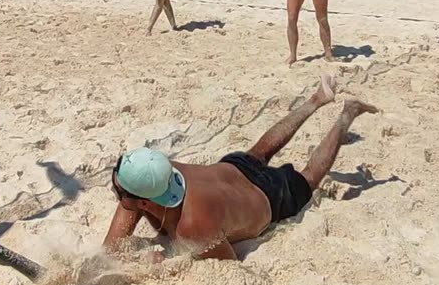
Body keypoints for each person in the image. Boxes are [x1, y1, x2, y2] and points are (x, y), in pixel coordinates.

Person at [103, 75, 378, 261]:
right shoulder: (157, 172)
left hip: (270, 199)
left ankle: (347, 114)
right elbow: (111, 250)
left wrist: (162, 262)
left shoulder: (192, 226)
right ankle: (316, 99)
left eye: (119, 190)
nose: (116, 192)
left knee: (311, 176)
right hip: (233, 168)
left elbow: (228, 264)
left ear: (144, 201)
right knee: (260, 151)